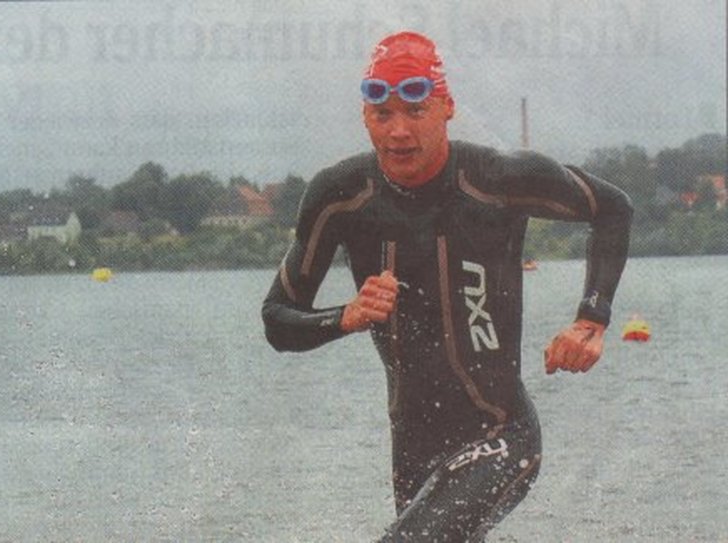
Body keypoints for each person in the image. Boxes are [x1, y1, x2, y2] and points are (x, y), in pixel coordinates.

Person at [262, 31, 632, 542]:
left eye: (415, 112)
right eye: (382, 114)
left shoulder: (498, 178)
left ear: (446, 108)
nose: (398, 132)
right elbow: (278, 319)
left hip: (500, 431)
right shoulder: (340, 196)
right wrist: (344, 317)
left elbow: (613, 208)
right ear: (365, 117)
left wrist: (592, 317)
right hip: (413, 446)